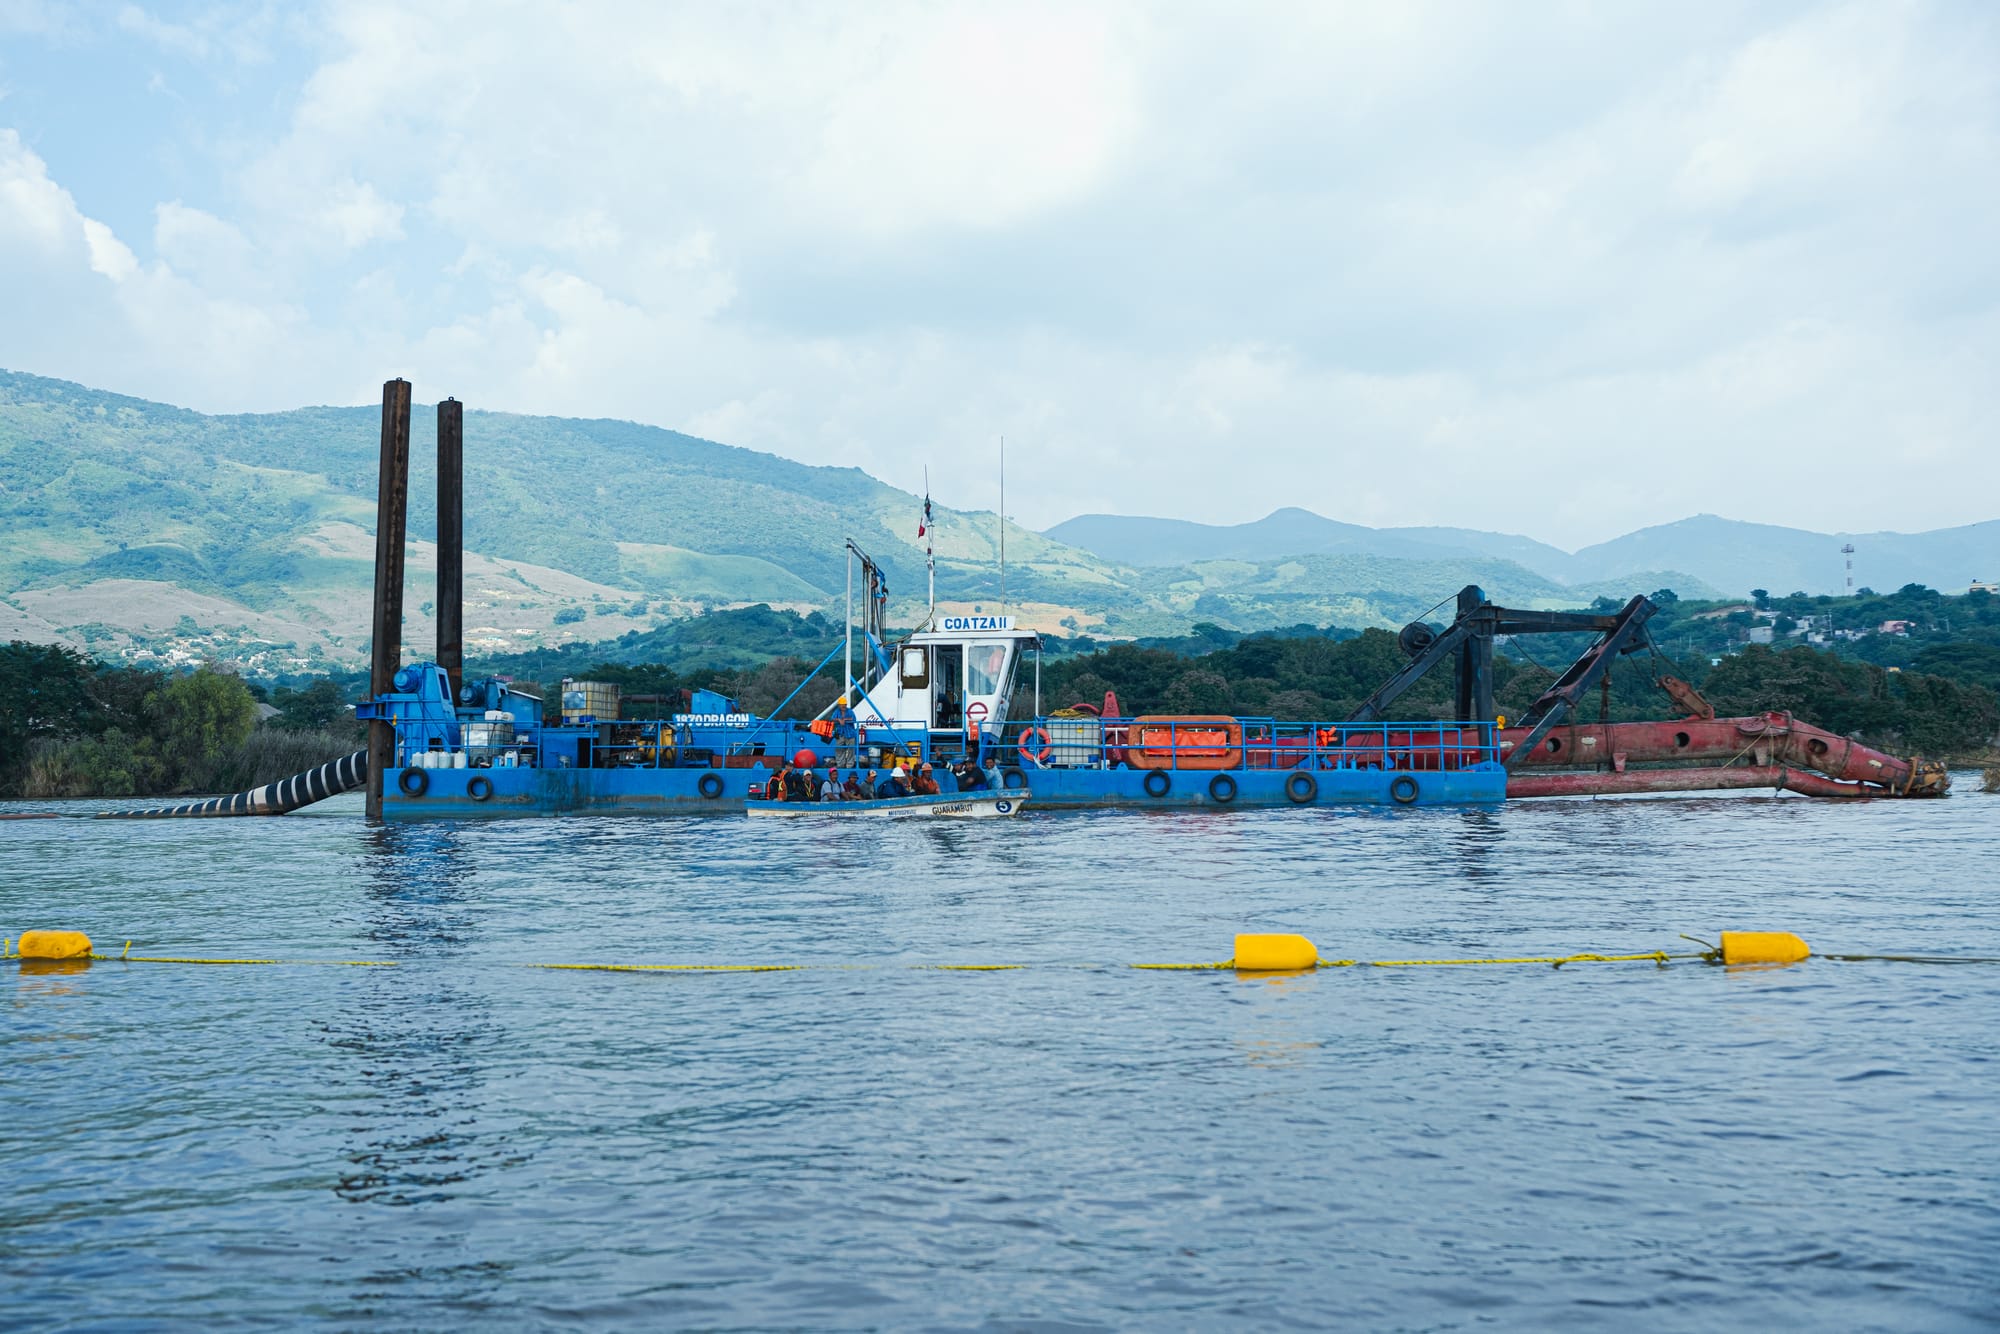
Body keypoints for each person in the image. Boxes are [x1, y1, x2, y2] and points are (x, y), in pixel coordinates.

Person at [831, 698, 858, 769]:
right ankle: (840, 765)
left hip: (850, 734)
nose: (844, 707)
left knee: (851, 750)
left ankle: (849, 765)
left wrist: (844, 720)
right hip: (840, 734)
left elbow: (853, 719)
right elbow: (832, 719)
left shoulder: (850, 711)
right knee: (839, 749)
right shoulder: (836, 712)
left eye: (845, 705)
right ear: (839, 705)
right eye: (842, 705)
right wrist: (839, 720)